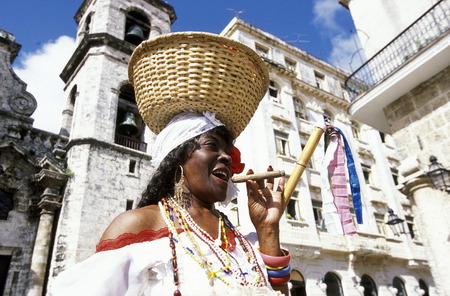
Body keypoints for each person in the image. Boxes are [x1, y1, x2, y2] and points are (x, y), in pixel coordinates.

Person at [52, 32, 291, 295]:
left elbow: (275, 289)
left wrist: (268, 229)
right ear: (177, 157)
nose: (226, 157)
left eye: (228, 151)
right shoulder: (138, 224)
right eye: (212, 146)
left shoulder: (236, 236)